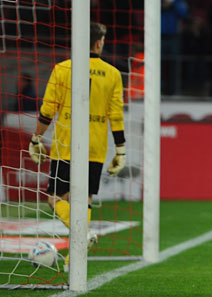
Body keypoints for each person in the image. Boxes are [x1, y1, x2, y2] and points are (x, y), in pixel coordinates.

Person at [29, 22, 126, 270]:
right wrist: (120, 149)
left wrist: (36, 138)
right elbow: (116, 115)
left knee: (54, 198)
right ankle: (75, 261)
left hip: (67, 143)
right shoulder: (113, 74)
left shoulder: (62, 69)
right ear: (98, 42)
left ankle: (83, 234)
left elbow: (47, 110)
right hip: (95, 146)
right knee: (85, 200)